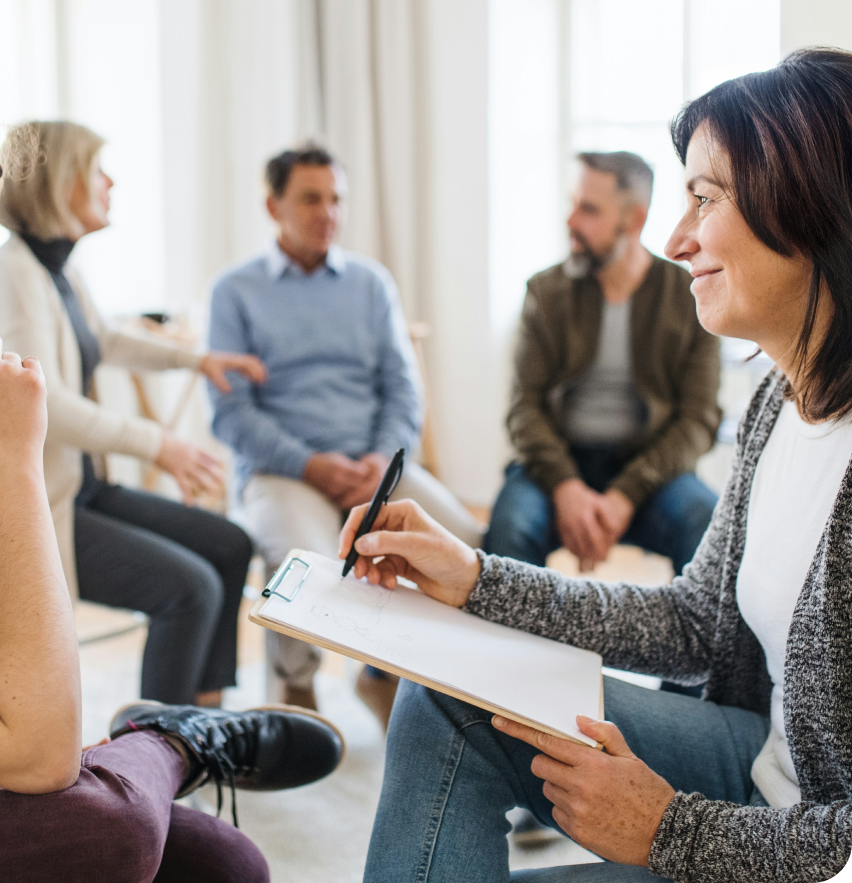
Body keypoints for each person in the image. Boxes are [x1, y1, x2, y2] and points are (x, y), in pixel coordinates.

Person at [0, 35, 343, 883]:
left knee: (222, 859)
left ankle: (160, 740)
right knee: (107, 833)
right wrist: (9, 455)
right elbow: (36, 753)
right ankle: (170, 736)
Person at [342, 48, 852, 882]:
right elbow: (694, 623)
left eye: (705, 199)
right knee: (445, 689)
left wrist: (670, 829)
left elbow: (684, 422)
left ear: (811, 207)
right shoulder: (777, 401)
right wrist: (475, 578)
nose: (679, 240)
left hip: (789, 840)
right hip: (755, 768)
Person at [0, 120, 266, 707]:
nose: (110, 182)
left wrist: (198, 360)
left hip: (81, 489)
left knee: (228, 545)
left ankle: (206, 719)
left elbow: (106, 339)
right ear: (60, 182)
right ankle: (156, 749)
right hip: (38, 509)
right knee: (189, 589)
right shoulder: (13, 278)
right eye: (97, 170)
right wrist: (159, 445)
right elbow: (45, 402)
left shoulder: (57, 269)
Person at [207, 143, 483, 721]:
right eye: (311, 198)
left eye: (336, 199)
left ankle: (383, 675)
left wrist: (380, 461)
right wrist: (313, 466)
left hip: (373, 466)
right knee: (300, 561)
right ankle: (296, 687)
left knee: (460, 538)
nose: (327, 212)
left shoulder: (370, 283)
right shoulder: (235, 291)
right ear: (272, 204)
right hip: (286, 471)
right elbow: (232, 415)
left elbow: (404, 388)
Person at [485, 150, 721, 580]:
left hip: (649, 469)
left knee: (707, 526)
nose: (571, 220)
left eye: (589, 209)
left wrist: (625, 495)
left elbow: (698, 419)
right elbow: (524, 407)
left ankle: (696, 647)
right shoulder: (545, 292)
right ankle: (519, 649)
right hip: (556, 463)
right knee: (508, 535)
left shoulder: (688, 296)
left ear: (634, 221)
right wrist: (566, 487)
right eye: (572, 203)